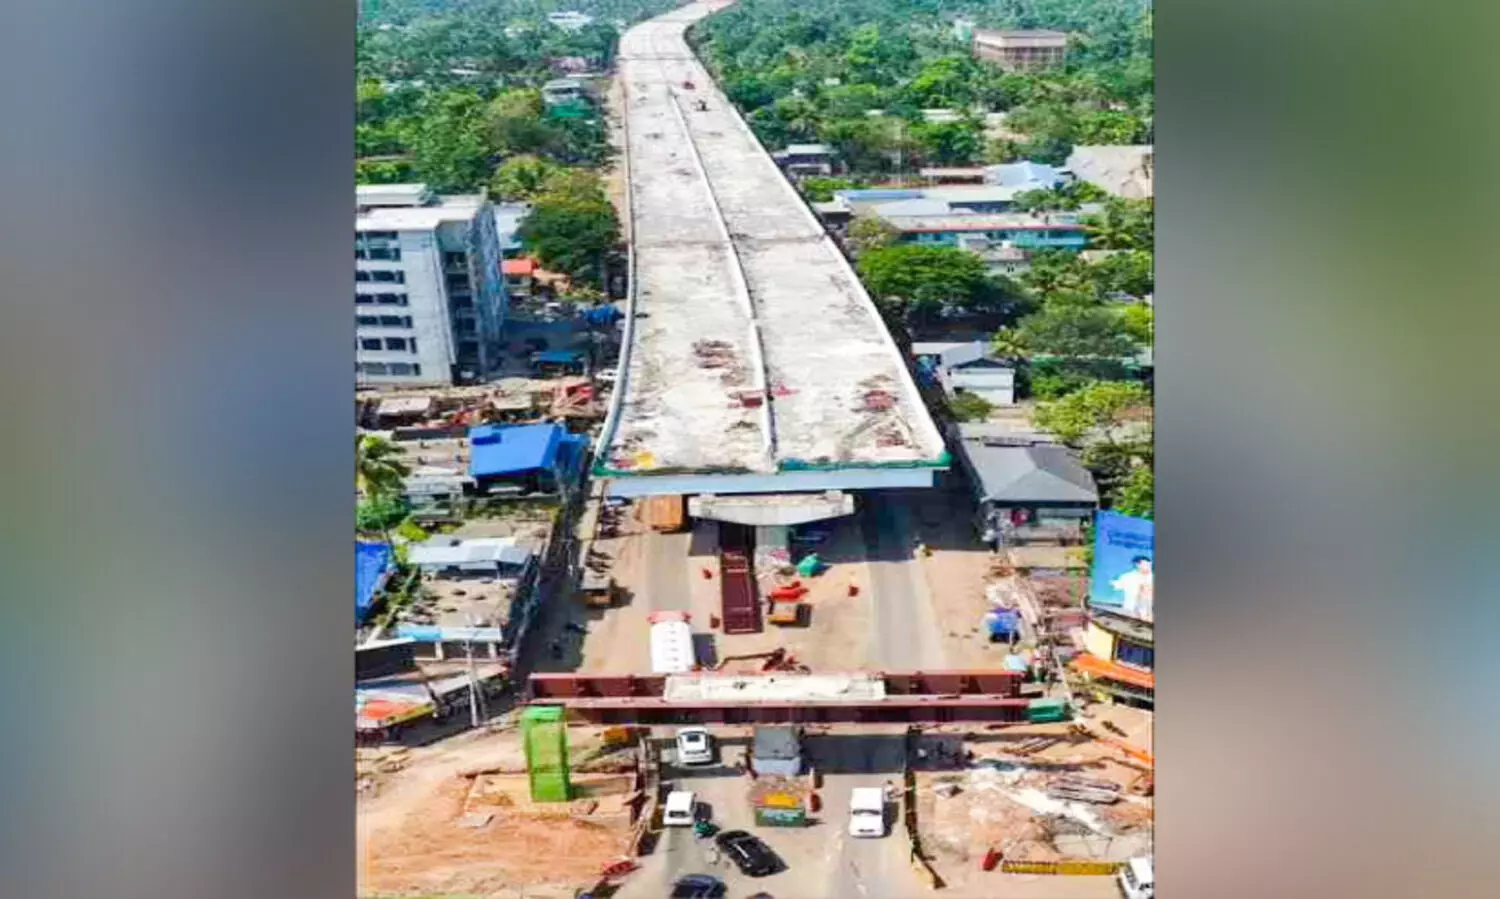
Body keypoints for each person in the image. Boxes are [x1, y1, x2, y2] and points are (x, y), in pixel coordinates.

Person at [1110, 555, 1154, 621]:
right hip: (1129, 612)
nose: (1148, 567)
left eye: (1149, 565)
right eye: (1146, 564)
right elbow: (1115, 585)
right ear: (1137, 565)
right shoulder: (1127, 577)